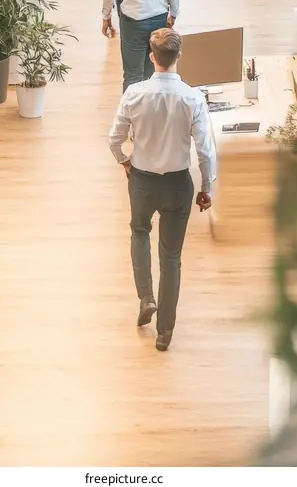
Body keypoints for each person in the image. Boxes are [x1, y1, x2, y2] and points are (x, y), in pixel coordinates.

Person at [108, 27, 216, 351]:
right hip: (177, 184)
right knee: (171, 257)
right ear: (179, 57)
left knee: (139, 232)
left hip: (142, 180)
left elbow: (114, 138)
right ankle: (164, 332)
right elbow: (205, 151)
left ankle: (146, 297)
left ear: (151, 57)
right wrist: (206, 187)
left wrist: (124, 162)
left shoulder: (134, 94)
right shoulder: (193, 98)